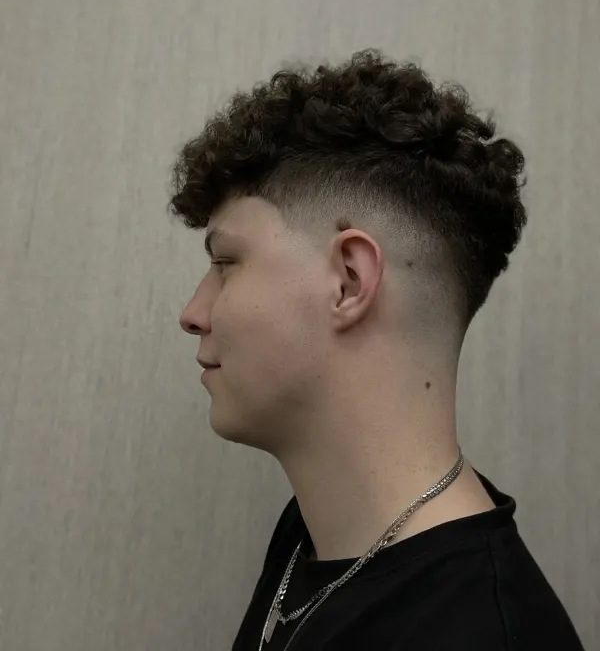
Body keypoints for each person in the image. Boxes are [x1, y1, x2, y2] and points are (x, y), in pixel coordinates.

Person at [171, 50, 584, 650]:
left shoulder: (482, 634)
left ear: (349, 281)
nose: (192, 313)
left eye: (226, 262)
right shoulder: (315, 534)